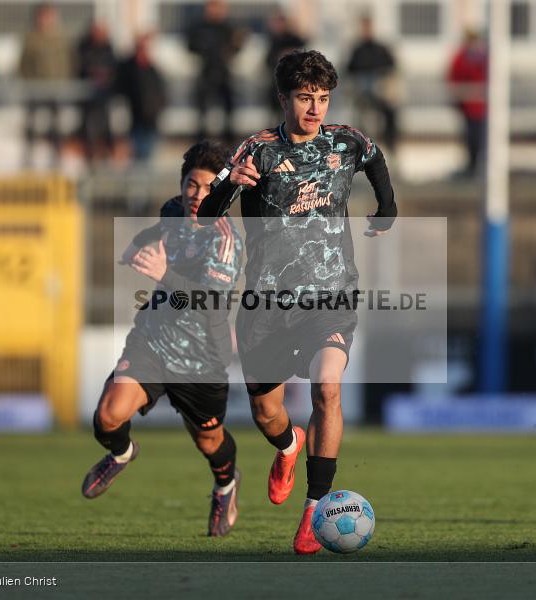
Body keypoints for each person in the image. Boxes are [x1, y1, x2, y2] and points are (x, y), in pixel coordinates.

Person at [197, 50, 397, 554]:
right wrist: (228, 188)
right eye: (305, 98)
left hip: (330, 298)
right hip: (266, 306)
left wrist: (388, 206)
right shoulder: (257, 151)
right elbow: (204, 216)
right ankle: (288, 447)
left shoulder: (345, 141)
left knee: (328, 387)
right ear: (283, 98)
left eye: (323, 98)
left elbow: (374, 156)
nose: (315, 109)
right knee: (268, 413)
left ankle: (314, 511)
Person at [82, 140, 244, 538]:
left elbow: (208, 301)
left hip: (201, 357)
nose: (197, 196)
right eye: (192, 184)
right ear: (182, 182)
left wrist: (163, 274)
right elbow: (158, 232)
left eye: (209, 188)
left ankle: (226, 485)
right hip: (152, 341)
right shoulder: (172, 210)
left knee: (209, 441)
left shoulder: (225, 240)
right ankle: (122, 452)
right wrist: (136, 248)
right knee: (107, 417)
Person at [18, 2, 73, 167]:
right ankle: (28, 161)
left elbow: (67, 62)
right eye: (43, 16)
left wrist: (63, 82)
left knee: (56, 128)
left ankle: (57, 161)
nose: (46, 20)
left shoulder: (60, 38)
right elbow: (23, 65)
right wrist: (29, 83)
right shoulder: (31, 38)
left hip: (55, 90)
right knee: (31, 127)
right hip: (35, 90)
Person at [185, 0, 247, 143]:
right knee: (202, 111)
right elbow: (191, 45)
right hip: (206, 72)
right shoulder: (200, 28)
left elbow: (237, 45)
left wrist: (231, 49)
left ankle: (228, 140)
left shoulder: (227, 28)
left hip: (223, 73)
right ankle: (201, 141)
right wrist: (206, 49)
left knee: (228, 110)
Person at [346, 15, 398, 153]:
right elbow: (349, 70)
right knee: (360, 117)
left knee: (391, 112)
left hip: (380, 92)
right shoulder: (357, 50)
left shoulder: (380, 49)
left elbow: (391, 67)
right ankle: (361, 146)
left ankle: (390, 144)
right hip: (362, 93)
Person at [115, 31, 167, 166]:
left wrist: (158, 107)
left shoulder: (152, 69)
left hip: (151, 120)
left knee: (148, 157)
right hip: (136, 120)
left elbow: (160, 92)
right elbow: (120, 89)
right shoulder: (128, 68)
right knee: (137, 158)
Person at [446, 28, 488, 178]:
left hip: (482, 107)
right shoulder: (462, 57)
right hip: (469, 107)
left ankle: (481, 166)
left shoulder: (483, 57)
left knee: (482, 137)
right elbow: (454, 77)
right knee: (471, 137)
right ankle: (472, 165)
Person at [76, 21, 117, 167]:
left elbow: (113, 69)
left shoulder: (108, 49)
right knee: (89, 131)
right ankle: (90, 159)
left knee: (105, 130)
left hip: (103, 101)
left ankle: (105, 157)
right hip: (88, 101)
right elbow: (80, 68)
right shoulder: (83, 48)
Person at [264, 11, 306, 122]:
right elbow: (268, 60)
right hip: (276, 82)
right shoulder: (273, 40)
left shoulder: (293, 39)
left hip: (293, 82)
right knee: (276, 111)